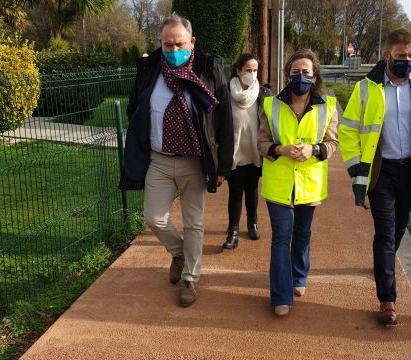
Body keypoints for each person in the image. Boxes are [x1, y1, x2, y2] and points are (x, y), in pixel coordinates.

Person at [119, 14, 233, 308]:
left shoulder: (208, 70)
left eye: (179, 44)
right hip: (158, 159)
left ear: (191, 42)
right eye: (167, 45)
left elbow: (224, 120)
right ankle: (180, 253)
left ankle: (190, 279)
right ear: (160, 43)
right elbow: (135, 108)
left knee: (194, 222)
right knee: (153, 217)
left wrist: (222, 166)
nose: (173, 50)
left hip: (195, 160)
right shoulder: (149, 71)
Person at [339, 28, 411, 325]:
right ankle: (387, 300)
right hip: (382, 172)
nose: (407, 61)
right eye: (401, 56)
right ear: (387, 55)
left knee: (400, 227)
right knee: (385, 234)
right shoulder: (367, 88)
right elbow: (347, 131)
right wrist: (356, 171)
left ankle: (382, 264)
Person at [258, 50, 339, 316]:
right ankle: (281, 295)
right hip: (279, 182)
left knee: (302, 235)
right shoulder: (270, 104)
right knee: (281, 236)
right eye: (295, 72)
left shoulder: (328, 105)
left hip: (309, 184)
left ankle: (299, 275)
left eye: (305, 72)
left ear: (314, 77)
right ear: (287, 75)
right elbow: (261, 142)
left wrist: (313, 150)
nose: (300, 76)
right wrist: (280, 150)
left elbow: (333, 143)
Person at [222, 54, 271, 250]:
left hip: (255, 152)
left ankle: (252, 223)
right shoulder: (225, 92)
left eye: (255, 70)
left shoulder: (263, 93)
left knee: (251, 189)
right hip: (233, 152)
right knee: (235, 192)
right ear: (238, 70)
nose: (252, 74)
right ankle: (232, 231)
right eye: (248, 70)